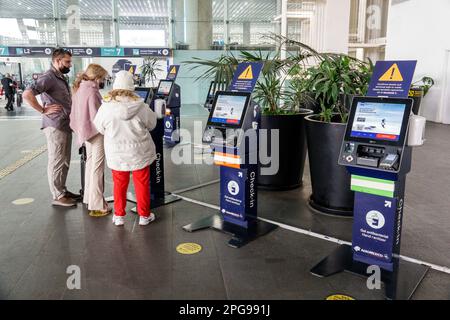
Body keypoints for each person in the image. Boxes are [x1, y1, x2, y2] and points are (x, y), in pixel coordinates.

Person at [94, 70, 158, 226]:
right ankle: (144, 216)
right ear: (132, 87)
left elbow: (99, 127)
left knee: (119, 183)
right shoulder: (141, 106)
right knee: (142, 183)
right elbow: (152, 124)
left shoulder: (106, 107)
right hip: (139, 152)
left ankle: (119, 216)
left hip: (116, 153)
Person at [23, 48, 81, 207]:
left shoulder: (60, 77)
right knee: (56, 160)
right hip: (55, 125)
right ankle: (57, 195)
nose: (70, 64)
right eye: (67, 62)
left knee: (64, 161)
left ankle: (62, 190)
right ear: (57, 61)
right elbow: (27, 94)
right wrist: (43, 109)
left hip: (64, 124)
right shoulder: (48, 77)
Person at [70, 64, 111, 217]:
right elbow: (98, 117)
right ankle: (98, 204)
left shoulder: (80, 88)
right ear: (97, 77)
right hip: (96, 132)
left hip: (85, 132)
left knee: (90, 166)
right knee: (97, 168)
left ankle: (89, 198)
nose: (103, 81)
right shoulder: (92, 92)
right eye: (103, 78)